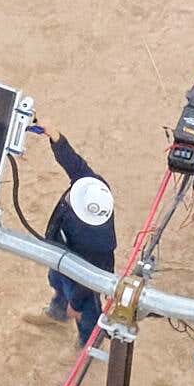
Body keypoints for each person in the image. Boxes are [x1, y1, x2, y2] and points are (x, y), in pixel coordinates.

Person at [40, 134, 123, 340]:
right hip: (62, 253)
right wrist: (55, 137)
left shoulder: (99, 243)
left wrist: (75, 304)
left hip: (82, 278)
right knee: (55, 279)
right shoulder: (92, 186)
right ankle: (58, 311)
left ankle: (89, 341)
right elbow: (73, 163)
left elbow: (89, 280)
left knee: (86, 313)